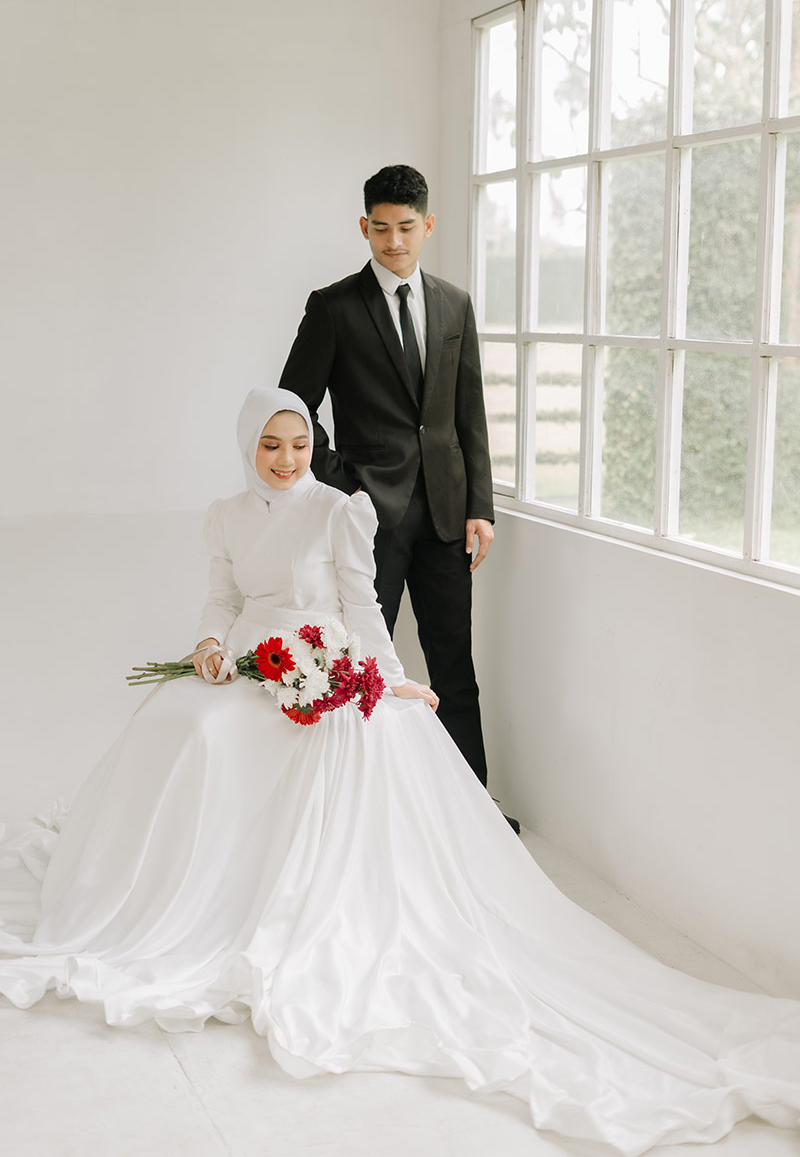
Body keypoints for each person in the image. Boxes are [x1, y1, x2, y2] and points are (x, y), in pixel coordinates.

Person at [1, 386, 799, 1157]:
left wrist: (388, 679)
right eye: (271, 446)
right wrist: (210, 645)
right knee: (187, 727)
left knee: (334, 740)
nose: (286, 459)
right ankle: (183, 891)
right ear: (249, 447)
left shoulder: (338, 510)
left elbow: (361, 605)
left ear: (314, 446)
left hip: (324, 662)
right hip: (250, 663)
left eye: (299, 444)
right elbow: (222, 598)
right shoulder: (226, 515)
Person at [279, 165, 509, 818]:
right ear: (364, 227)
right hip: (367, 519)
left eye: (406, 227)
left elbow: (469, 413)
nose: (394, 241)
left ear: (427, 225)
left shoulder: (454, 304)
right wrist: (344, 486)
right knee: (359, 665)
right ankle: (360, 814)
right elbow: (293, 408)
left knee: (453, 667)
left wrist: (480, 507)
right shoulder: (334, 308)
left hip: (445, 515)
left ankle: (471, 814)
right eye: (380, 229)